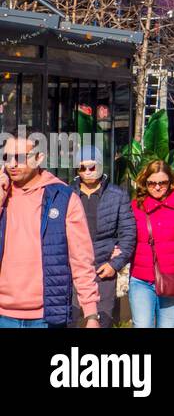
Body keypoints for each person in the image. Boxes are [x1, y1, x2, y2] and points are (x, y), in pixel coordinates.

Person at [0, 134, 100, 327]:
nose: (12, 164)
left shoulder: (63, 198)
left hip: (46, 316)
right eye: (6, 157)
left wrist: (91, 313)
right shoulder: (3, 193)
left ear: (39, 158)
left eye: (20, 157)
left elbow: (81, 259)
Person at [129, 160, 174, 328]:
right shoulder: (136, 205)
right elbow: (127, 235)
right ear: (145, 183)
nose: (158, 187)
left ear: (171, 182)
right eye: (152, 183)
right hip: (141, 279)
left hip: (173, 278)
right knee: (142, 325)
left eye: (163, 182)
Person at [73, 145, 135, 327]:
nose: (87, 172)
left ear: (100, 166)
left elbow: (128, 233)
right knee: (73, 322)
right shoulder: (68, 194)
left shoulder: (117, 195)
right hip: (74, 270)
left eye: (92, 167)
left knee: (102, 321)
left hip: (103, 270)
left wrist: (115, 264)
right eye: (82, 168)